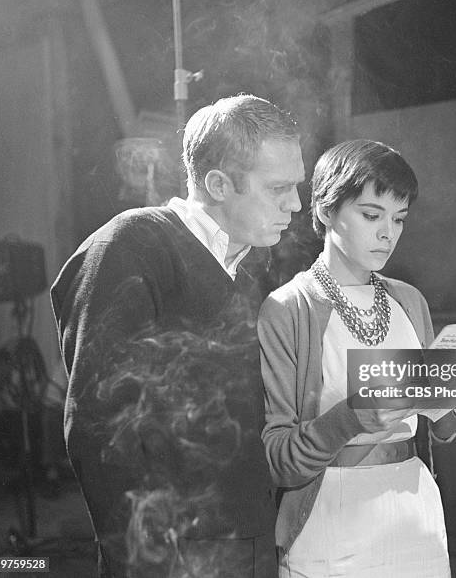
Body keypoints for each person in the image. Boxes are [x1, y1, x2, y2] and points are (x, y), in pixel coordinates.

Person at [51, 94, 305, 578]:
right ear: (218, 183)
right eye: (279, 188)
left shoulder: (247, 274)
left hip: (245, 543)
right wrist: (148, 561)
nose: (295, 204)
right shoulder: (130, 248)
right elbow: (100, 428)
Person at [258, 139, 456, 578]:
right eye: (371, 215)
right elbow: (278, 458)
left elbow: (434, 421)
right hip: (330, 513)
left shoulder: (408, 300)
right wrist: (352, 417)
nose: (387, 232)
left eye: (399, 218)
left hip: (413, 508)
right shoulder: (288, 309)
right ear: (326, 210)